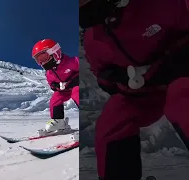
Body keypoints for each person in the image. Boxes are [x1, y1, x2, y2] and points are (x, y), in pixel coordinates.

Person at [79, 0, 189, 179]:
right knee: (113, 121)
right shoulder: (95, 37)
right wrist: (113, 78)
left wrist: (179, 55)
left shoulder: (159, 5)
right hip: (146, 91)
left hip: (183, 74)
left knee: (182, 99)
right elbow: (101, 72)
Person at [32, 39, 79, 135]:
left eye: (44, 58)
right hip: (64, 90)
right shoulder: (49, 73)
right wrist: (55, 86)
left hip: (77, 86)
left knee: (77, 92)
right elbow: (51, 84)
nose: (42, 63)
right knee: (55, 99)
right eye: (39, 60)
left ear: (55, 52)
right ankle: (59, 122)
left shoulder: (72, 62)